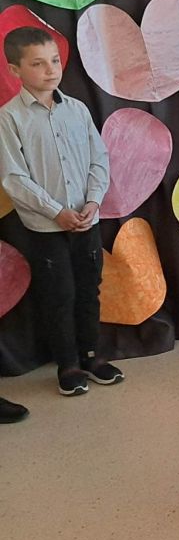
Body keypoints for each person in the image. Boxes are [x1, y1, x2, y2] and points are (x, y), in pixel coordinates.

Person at [0, 26, 120, 396]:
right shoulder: (9, 118)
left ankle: (92, 356)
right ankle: (68, 364)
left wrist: (93, 201)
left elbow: (99, 159)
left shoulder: (78, 110)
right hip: (47, 227)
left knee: (88, 290)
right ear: (15, 70)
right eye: (38, 63)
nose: (51, 70)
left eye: (54, 60)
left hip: (87, 220)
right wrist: (56, 212)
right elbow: (14, 177)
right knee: (59, 295)